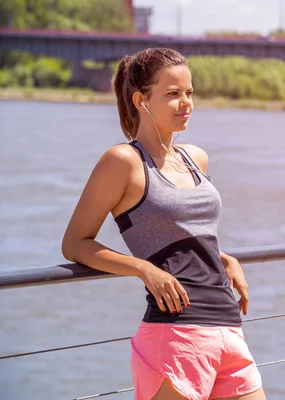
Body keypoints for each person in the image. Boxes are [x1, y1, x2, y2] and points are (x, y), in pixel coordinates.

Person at [61, 48, 265, 400]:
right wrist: (143, 269)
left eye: (189, 93)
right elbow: (76, 243)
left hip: (228, 326)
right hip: (175, 336)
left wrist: (223, 257)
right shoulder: (123, 161)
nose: (185, 103)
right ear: (141, 100)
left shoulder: (194, 158)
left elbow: (184, 230)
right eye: (172, 94)